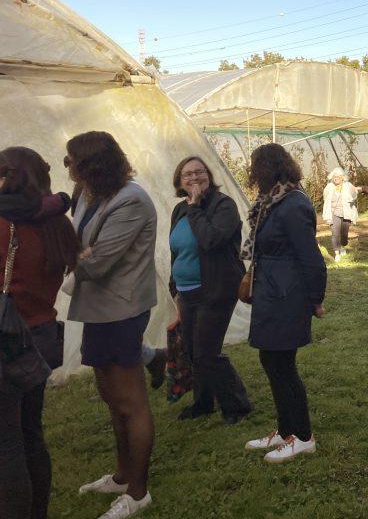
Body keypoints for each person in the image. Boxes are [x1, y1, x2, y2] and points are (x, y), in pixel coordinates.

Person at [65, 132, 157, 518]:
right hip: (99, 309)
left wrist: (58, 256)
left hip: (121, 310)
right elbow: (79, 244)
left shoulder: (130, 201)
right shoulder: (90, 194)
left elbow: (98, 261)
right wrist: (79, 252)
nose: (67, 167)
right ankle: (122, 476)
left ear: (93, 166)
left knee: (130, 402)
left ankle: (138, 492)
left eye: (71, 161)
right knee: (110, 396)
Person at [0, 147, 78, 519]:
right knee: (31, 431)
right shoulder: (57, 223)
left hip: (7, 342)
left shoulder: (5, 223)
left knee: (6, 444)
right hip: (42, 334)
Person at [242, 143, 327, 464]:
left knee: (282, 365)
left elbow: (311, 258)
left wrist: (315, 299)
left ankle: (303, 437)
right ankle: (286, 430)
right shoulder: (272, 201)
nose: (252, 173)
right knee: (271, 360)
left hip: (286, 295)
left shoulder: (292, 204)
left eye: (255, 166)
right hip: (273, 292)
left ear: (267, 168)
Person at [168, 155, 252, 425]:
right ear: (179, 182)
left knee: (207, 353)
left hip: (216, 289)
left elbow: (211, 240)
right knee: (193, 352)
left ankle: (237, 406)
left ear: (209, 175)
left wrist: (195, 208)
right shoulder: (179, 210)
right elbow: (176, 250)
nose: (194, 177)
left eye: (199, 172)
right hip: (187, 291)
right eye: (187, 174)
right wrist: (174, 286)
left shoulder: (223, 205)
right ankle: (203, 403)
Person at [322, 168, 359, 263]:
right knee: (335, 233)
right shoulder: (329, 187)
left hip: (346, 213)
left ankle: (342, 246)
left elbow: (354, 196)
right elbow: (325, 198)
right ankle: (337, 253)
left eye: (338, 177)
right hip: (334, 214)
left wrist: (354, 192)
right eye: (334, 177)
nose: (336, 178)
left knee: (344, 234)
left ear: (342, 178)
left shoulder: (348, 186)